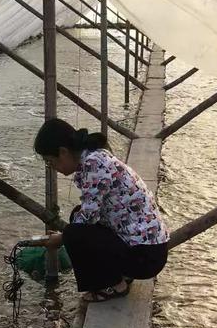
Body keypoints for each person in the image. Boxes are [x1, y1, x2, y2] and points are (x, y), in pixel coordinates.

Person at [34, 117, 169, 302]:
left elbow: (88, 218)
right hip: (148, 250)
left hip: (145, 258)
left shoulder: (93, 164)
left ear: (63, 152)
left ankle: (114, 285)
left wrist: (62, 238)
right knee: (76, 216)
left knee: (74, 232)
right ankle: (120, 275)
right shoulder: (94, 156)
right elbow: (89, 212)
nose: (53, 168)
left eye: (51, 162)